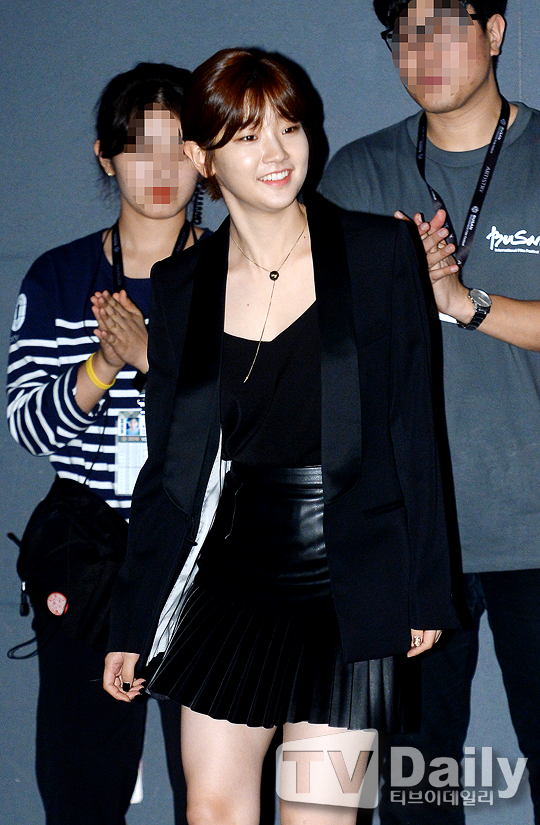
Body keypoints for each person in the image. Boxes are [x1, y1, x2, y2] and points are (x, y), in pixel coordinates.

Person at [103, 47, 457, 825]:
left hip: (349, 574)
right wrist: (134, 616)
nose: (277, 152)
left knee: (318, 812)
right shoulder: (182, 286)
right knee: (211, 809)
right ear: (202, 158)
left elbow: (413, 428)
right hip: (229, 574)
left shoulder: (378, 253)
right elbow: (170, 467)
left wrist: (425, 587)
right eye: (248, 136)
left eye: (289, 128)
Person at [320, 0, 540, 821]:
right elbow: (322, 341)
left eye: (444, 27)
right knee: (416, 783)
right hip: (410, 536)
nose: (423, 51)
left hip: (533, 523)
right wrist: (395, 290)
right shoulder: (358, 174)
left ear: (495, 32)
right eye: (404, 34)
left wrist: (460, 300)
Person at [7, 62, 209, 825]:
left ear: (205, 156)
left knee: (220, 793)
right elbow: (28, 426)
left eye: (179, 145)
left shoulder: (239, 270)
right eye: (138, 146)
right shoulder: (60, 277)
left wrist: (153, 356)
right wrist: (102, 363)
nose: (161, 167)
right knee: (82, 790)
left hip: (205, 551)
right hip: (89, 550)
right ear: (104, 155)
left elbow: (259, 423)